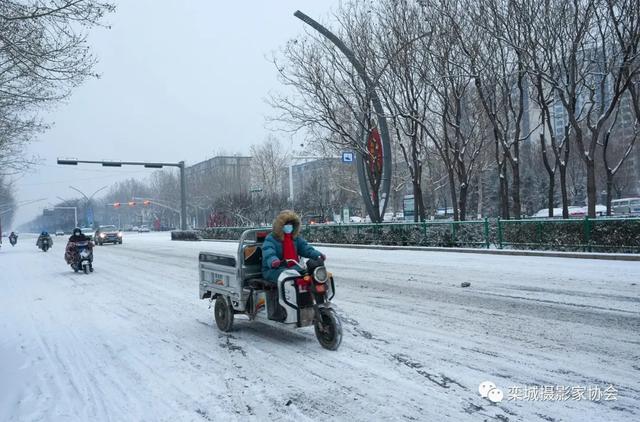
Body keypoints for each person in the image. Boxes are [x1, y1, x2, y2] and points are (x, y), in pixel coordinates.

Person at [261, 210, 326, 284]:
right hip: (273, 270)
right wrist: (273, 260)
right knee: (288, 279)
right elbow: (268, 251)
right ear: (280, 226)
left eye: (291, 224)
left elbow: (305, 248)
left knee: (312, 276)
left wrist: (317, 255)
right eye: (286, 224)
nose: (289, 226)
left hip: (294, 268)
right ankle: (287, 295)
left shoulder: (295, 238)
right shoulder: (271, 238)